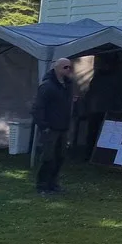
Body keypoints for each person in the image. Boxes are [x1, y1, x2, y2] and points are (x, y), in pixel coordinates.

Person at [32, 57, 75, 195]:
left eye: (70, 67)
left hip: (63, 127)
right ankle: (42, 186)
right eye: (65, 67)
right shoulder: (47, 86)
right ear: (57, 68)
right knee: (48, 157)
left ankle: (53, 184)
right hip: (50, 128)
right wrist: (44, 126)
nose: (68, 70)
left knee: (60, 157)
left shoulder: (68, 85)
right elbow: (38, 108)